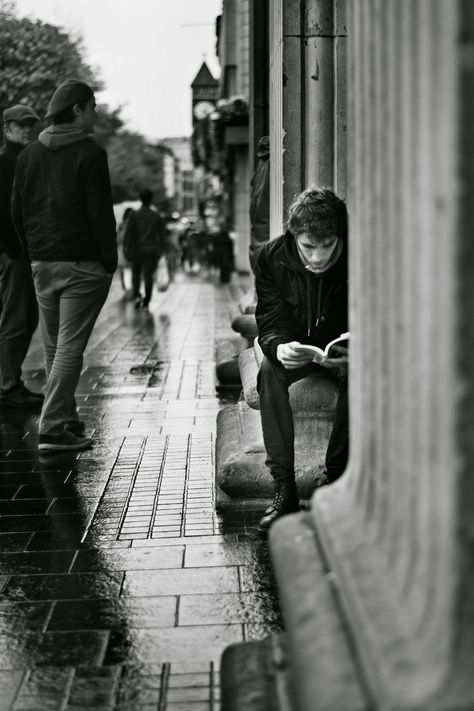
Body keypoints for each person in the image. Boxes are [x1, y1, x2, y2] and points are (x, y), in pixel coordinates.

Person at [12, 78, 117, 452]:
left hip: (43, 262)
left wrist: (32, 252)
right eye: (93, 106)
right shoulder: (90, 154)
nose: (97, 112)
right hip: (82, 264)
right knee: (70, 347)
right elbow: (99, 213)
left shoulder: (28, 156)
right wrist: (109, 261)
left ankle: (67, 418)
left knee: (56, 347)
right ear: (77, 110)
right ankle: (52, 428)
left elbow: (17, 210)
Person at [254, 187, 349, 533]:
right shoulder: (271, 257)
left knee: (362, 375)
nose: (320, 256)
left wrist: (359, 342)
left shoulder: (361, 250)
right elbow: (269, 319)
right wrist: (279, 347)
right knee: (267, 371)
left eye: (328, 245)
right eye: (309, 246)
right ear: (294, 236)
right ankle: (284, 489)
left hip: (345, 354)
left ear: (339, 234)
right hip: (298, 351)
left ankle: (335, 481)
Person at [0, 104, 43, 409]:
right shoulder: (6, 162)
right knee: (16, 319)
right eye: (20, 124)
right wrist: (13, 251)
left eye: (30, 123)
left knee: (27, 318)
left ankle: (12, 381)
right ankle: (7, 385)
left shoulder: (25, 158)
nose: (27, 128)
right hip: (16, 254)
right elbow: (4, 211)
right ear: (7, 128)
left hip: (26, 252)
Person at [123, 189, 166, 308]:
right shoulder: (156, 216)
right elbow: (161, 236)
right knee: (148, 275)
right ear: (151, 199)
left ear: (140, 199)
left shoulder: (134, 215)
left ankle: (137, 296)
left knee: (135, 274)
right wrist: (161, 251)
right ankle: (147, 300)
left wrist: (126, 249)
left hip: (136, 250)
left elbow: (128, 234)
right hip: (151, 250)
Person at [117, 206, 133, 295]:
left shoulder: (121, 225)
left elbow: (118, 238)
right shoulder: (127, 225)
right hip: (126, 249)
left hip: (123, 249)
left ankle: (127, 287)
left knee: (126, 269)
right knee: (127, 269)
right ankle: (128, 288)